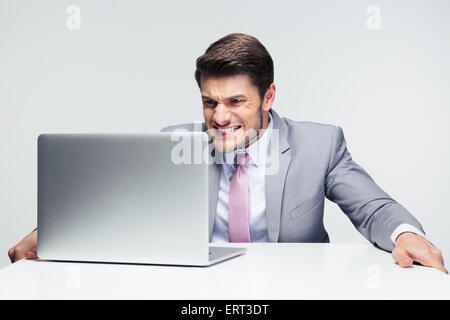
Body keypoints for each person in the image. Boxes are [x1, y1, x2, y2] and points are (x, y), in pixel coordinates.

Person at [8, 33, 447, 274]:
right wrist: (51, 232)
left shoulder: (320, 143)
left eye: (236, 102)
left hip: (292, 289)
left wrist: (405, 234)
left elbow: (372, 207)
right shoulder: (173, 143)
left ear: (268, 95)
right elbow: (111, 210)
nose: (219, 117)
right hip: (195, 292)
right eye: (209, 101)